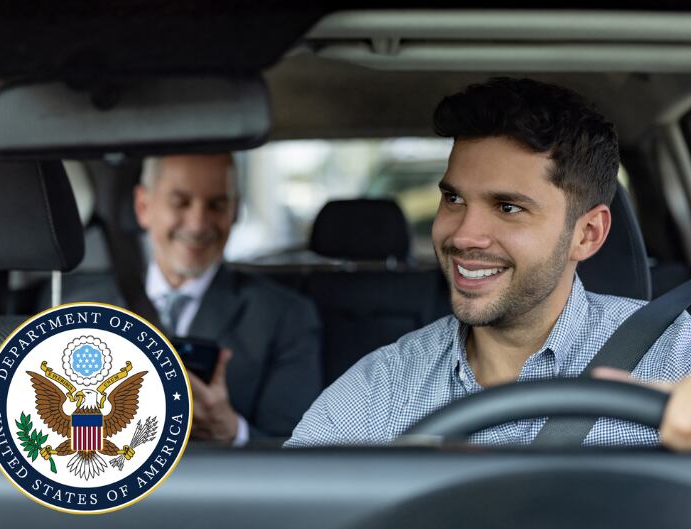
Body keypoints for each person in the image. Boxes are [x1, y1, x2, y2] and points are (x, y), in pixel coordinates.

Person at [286, 78, 691, 448]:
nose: (463, 235)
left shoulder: (676, 356)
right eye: (454, 199)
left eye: (508, 207)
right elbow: (290, 512)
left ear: (587, 235)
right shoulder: (384, 387)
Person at [134, 153, 322, 445]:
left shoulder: (284, 316)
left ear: (234, 212)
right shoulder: (75, 302)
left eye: (217, 205)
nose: (198, 224)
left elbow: (296, 453)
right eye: (180, 202)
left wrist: (233, 433)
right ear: (143, 206)